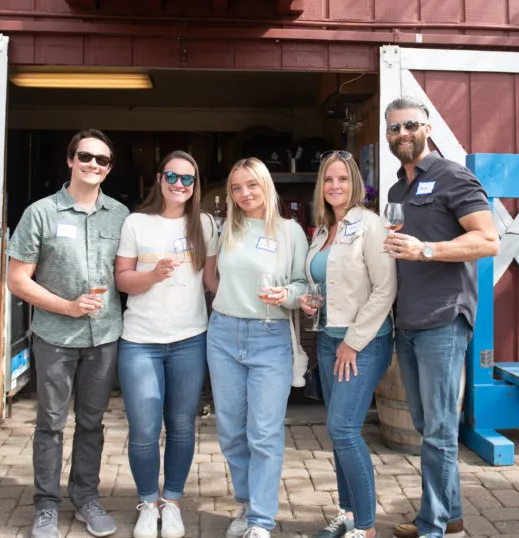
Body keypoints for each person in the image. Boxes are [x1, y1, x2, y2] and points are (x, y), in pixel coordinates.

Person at [382, 97, 499, 538]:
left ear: (427, 129)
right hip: (408, 321)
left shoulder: (453, 176)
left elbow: (488, 240)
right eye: (394, 128)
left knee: (439, 431)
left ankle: (430, 527)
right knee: (426, 427)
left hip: (445, 319)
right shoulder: (397, 191)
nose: (402, 134)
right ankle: (451, 520)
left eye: (410, 125)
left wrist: (426, 250)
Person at [7, 129, 129, 538]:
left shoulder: (120, 215)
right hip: (55, 337)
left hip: (104, 337)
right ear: (70, 160)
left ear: (109, 168)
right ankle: (46, 506)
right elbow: (17, 281)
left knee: (92, 423)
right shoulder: (41, 213)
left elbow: (128, 272)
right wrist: (68, 307)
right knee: (51, 423)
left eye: (102, 159)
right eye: (86, 156)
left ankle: (86, 497)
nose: (93, 164)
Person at [115, 151, 219, 538]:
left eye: (187, 179)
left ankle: (171, 502)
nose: (179, 184)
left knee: (181, 426)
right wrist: (153, 275)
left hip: (190, 339)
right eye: (172, 176)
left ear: (195, 185)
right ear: (159, 179)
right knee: (144, 428)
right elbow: (123, 280)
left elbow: (211, 282)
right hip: (140, 340)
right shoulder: (136, 222)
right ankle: (148, 502)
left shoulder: (204, 224)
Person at [208, 157, 308, 538]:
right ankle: (248, 504)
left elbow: (303, 285)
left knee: (263, 433)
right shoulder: (227, 229)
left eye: (251, 185)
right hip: (223, 335)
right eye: (236, 188)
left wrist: (287, 295)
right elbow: (214, 277)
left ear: (266, 185)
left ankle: (262, 520)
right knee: (231, 431)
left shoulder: (290, 232)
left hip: (270, 336)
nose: (244, 193)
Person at [301, 151, 396, 538]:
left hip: (364, 343)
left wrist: (353, 343)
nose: (334, 186)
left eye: (342, 179)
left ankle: (367, 528)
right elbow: (329, 283)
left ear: (354, 183)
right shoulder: (323, 230)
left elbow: (385, 289)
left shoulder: (371, 225)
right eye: (328, 179)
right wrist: (312, 300)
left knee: (343, 429)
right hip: (328, 339)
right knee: (338, 430)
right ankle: (348, 514)